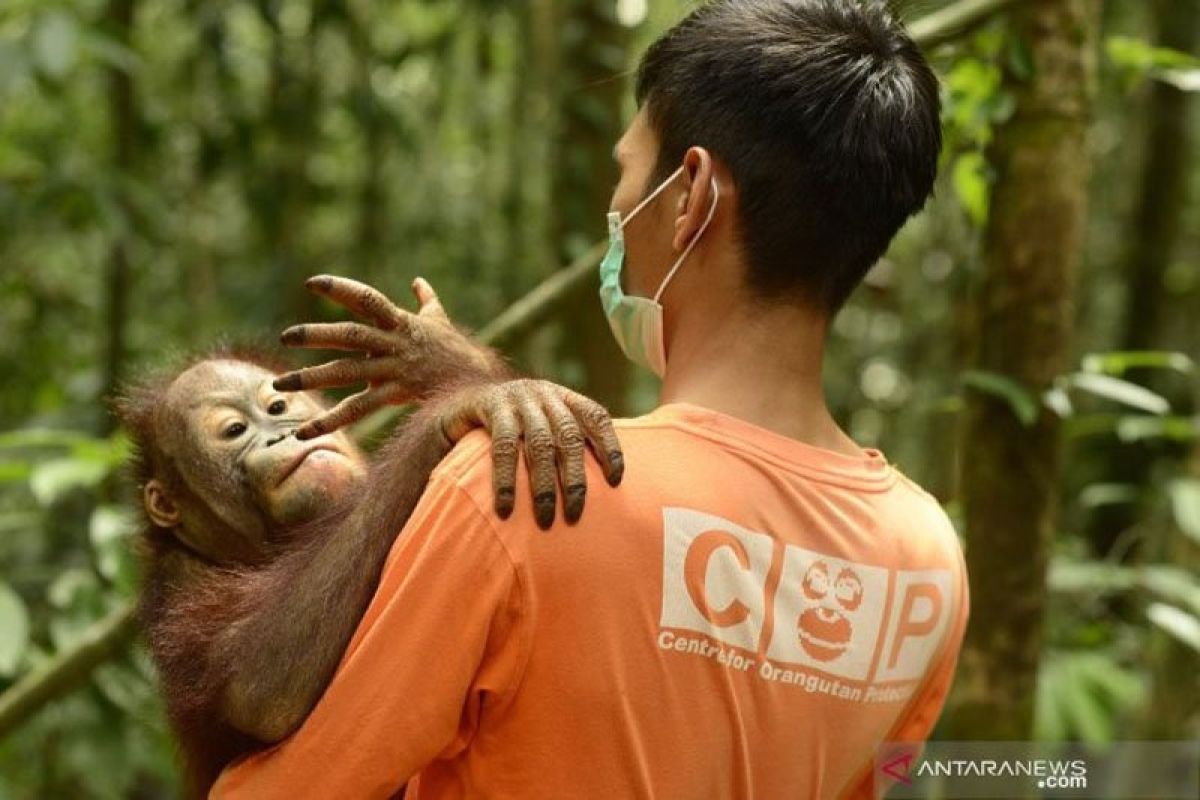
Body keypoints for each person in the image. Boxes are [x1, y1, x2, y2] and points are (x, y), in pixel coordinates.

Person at [212, 1, 968, 797]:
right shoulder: (927, 562)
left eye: (627, 169)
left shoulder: (514, 489)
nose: (616, 207)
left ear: (691, 195)